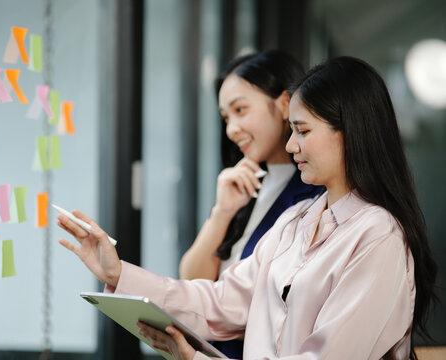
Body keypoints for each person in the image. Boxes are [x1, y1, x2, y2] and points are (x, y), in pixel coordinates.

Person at [57, 56, 437, 360]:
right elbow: (220, 303)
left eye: (303, 131)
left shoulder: (378, 236)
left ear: (350, 134)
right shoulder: (295, 222)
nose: (291, 147)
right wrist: (117, 271)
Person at [179, 50, 323, 289]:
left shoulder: (316, 192)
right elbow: (192, 280)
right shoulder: (243, 185)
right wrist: (222, 213)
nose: (231, 130)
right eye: (226, 118)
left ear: (285, 105)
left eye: (240, 110)